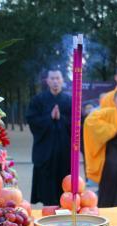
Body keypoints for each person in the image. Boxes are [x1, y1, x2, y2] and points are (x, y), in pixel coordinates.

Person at [26, 70, 71, 205]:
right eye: (52, 78)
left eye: (58, 78)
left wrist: (60, 118)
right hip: (45, 149)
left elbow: (77, 122)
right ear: (47, 81)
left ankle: (65, 206)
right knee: (46, 182)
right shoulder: (38, 100)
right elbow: (31, 119)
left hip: (64, 149)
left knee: (64, 182)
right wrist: (49, 118)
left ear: (63, 80)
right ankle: (48, 205)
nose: (55, 81)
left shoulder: (70, 100)